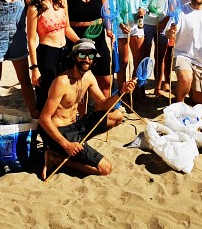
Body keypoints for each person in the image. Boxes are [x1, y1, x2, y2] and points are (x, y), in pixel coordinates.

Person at [39, 39, 136, 179]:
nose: (87, 59)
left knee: (117, 115)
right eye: (82, 54)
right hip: (60, 132)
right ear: (74, 56)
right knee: (105, 169)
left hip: (76, 126)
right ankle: (56, 158)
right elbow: (44, 119)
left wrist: (121, 92)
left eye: (90, 55)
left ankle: (76, 147)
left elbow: (103, 104)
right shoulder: (62, 82)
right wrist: (66, 145)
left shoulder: (89, 77)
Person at [27, 0, 80, 113]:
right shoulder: (35, 7)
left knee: (65, 89)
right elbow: (31, 39)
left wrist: (81, 42)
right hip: (47, 54)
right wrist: (34, 68)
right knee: (47, 92)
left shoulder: (62, 2)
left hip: (64, 52)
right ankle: (44, 122)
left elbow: (67, 28)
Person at [63, 0, 113, 98]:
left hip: (98, 36)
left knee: (106, 80)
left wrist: (109, 29)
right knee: (79, 81)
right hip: (76, 38)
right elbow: (64, 21)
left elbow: (106, 12)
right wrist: (80, 43)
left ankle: (103, 109)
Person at [109, 0, 148, 92]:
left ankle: (135, 90)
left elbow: (144, 0)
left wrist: (143, 9)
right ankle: (122, 90)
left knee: (138, 60)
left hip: (137, 24)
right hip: (121, 25)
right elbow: (112, 6)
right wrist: (120, 23)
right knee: (123, 61)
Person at [140, 0, 176, 97]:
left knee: (160, 58)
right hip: (146, 24)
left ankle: (157, 87)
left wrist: (166, 21)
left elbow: (173, 3)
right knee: (144, 57)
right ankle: (141, 87)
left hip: (163, 24)